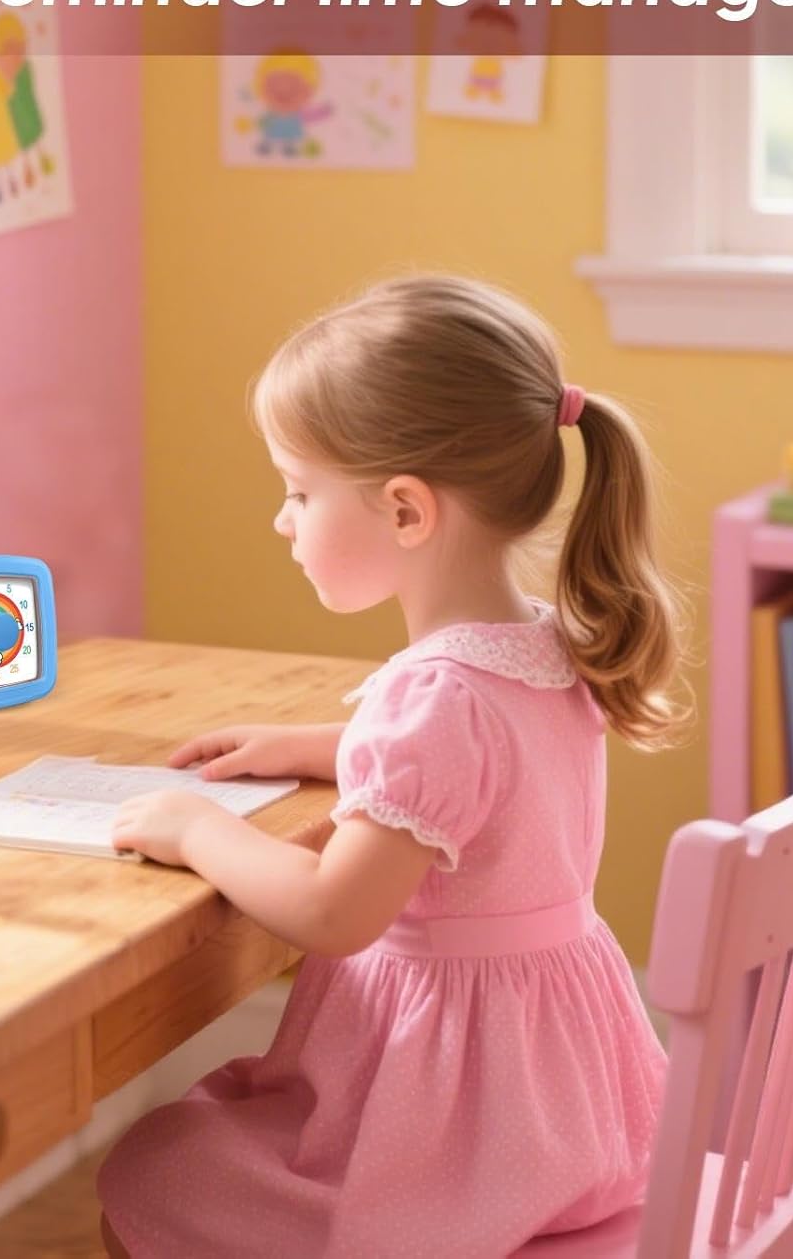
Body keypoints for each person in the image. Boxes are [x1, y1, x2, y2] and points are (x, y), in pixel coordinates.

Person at [98, 273, 691, 1258]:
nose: (283, 522)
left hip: (455, 1140)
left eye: (299, 492)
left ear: (408, 511)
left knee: (156, 1171)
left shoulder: (434, 699)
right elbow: (487, 780)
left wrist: (197, 827)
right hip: (568, 1113)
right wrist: (322, 748)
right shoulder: (548, 646)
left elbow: (338, 910)